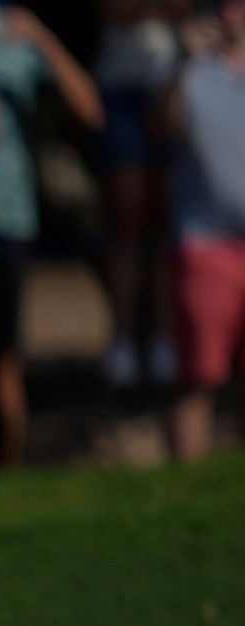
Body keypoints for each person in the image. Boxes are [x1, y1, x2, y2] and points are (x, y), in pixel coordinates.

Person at [0, 0, 96, 468]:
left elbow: (88, 109)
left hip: (7, 214)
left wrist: (43, 39)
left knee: (0, 357)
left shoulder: (12, 31)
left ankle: (1, 477)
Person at [160, 0, 245, 460]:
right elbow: (161, 126)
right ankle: (182, 490)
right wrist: (181, 62)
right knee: (197, 376)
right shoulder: (187, 68)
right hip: (205, 243)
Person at [94, 0, 183, 391]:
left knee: (168, 222)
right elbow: (112, 9)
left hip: (173, 85)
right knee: (126, 222)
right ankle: (124, 340)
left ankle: (166, 338)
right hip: (120, 88)